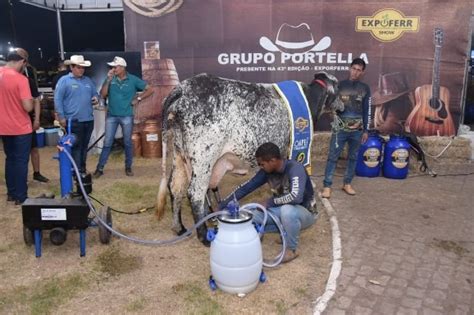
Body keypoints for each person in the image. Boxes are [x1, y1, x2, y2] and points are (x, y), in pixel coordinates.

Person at [219, 142, 317, 263]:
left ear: (273, 160)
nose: (260, 166)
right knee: (249, 213)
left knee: (287, 211)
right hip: (281, 212)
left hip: (304, 212)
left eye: (262, 164)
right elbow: (246, 187)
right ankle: (284, 231)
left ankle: (291, 249)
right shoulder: (266, 172)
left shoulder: (295, 168)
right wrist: (223, 204)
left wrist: (270, 202)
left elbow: (296, 197)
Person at [93, 56, 153, 178]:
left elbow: (150, 89)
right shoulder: (111, 78)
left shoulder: (133, 80)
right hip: (111, 116)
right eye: (112, 67)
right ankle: (100, 168)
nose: (113, 69)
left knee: (127, 142)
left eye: (115, 67)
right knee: (107, 142)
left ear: (122, 67)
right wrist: (108, 79)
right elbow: (102, 94)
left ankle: (128, 167)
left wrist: (138, 99)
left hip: (127, 116)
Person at [321, 58, 371, 198]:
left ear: (362, 72)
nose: (355, 72)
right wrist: (334, 116)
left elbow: (367, 110)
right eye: (354, 68)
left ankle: (347, 183)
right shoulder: (340, 86)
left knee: (353, 157)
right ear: (350, 68)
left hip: (357, 130)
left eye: (359, 70)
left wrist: (366, 130)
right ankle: (327, 186)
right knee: (332, 156)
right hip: (340, 129)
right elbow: (330, 105)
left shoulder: (365, 88)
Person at [54, 55, 99, 174]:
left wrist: (95, 98)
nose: (81, 70)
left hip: (88, 120)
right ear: (71, 67)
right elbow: (58, 99)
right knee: (76, 147)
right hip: (73, 120)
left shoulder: (87, 81)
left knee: (84, 146)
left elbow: (95, 94)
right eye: (78, 67)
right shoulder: (64, 81)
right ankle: (76, 170)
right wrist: (61, 117)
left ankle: (81, 168)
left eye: (82, 68)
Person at [0, 48, 34, 204]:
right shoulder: (21, 79)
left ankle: (11, 193)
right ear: (22, 61)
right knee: (21, 162)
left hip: (3, 126)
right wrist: (32, 102)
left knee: (10, 159)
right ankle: (21, 197)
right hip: (20, 127)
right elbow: (28, 107)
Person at [24, 63, 49, 182]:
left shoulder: (29, 81)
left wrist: (36, 119)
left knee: (34, 148)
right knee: (18, 153)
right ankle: (20, 176)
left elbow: (36, 101)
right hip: (13, 122)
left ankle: (37, 173)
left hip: (27, 120)